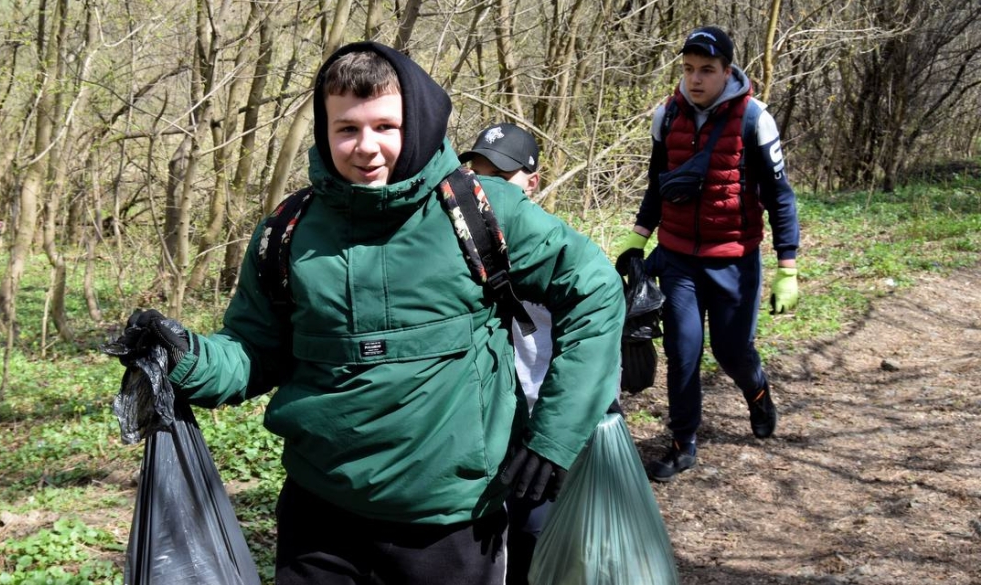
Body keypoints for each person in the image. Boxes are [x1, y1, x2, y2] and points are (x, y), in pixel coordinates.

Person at [123, 42, 625, 584]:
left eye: (386, 126)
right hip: (319, 520)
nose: (366, 148)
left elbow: (596, 292)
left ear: (421, 123)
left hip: (450, 524)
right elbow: (254, 351)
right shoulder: (286, 232)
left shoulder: (482, 211)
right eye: (347, 129)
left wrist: (553, 436)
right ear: (324, 131)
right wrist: (186, 357)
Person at [617, 25, 801, 483]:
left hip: (734, 258)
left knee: (732, 350)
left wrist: (787, 267)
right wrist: (638, 236)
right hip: (678, 257)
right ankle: (682, 443)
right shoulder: (667, 116)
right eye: (688, 69)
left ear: (727, 71)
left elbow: (780, 196)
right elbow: (658, 182)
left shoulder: (754, 120)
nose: (695, 79)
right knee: (683, 350)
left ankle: (757, 393)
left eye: (706, 70)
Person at [459, 122, 552, 585]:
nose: (486, 186)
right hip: (471, 430)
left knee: (531, 543)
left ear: (531, 183)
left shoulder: (552, 251)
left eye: (502, 176)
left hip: (534, 434)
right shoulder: (452, 245)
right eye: (478, 173)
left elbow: (587, 341)